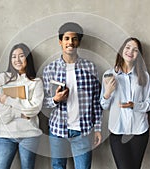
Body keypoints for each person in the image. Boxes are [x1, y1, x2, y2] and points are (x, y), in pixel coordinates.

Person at [42, 22, 102, 169]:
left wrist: (98, 128)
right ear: (60, 42)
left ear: (78, 42)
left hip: (83, 130)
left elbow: (96, 101)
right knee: (58, 166)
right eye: (67, 38)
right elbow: (42, 101)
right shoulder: (50, 69)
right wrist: (55, 100)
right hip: (57, 130)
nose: (70, 42)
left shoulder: (90, 67)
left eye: (74, 39)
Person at [100, 37, 150, 169]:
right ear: (121, 50)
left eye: (135, 50)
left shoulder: (144, 76)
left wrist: (134, 105)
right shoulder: (109, 74)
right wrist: (107, 93)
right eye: (128, 47)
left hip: (139, 131)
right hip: (117, 131)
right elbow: (104, 105)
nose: (131, 51)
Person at [0, 43, 43, 169]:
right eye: (13, 57)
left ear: (28, 59)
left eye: (21, 56)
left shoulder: (36, 82)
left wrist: (9, 100)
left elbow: (33, 108)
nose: (17, 60)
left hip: (30, 135)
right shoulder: (3, 78)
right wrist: (19, 113)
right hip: (6, 135)